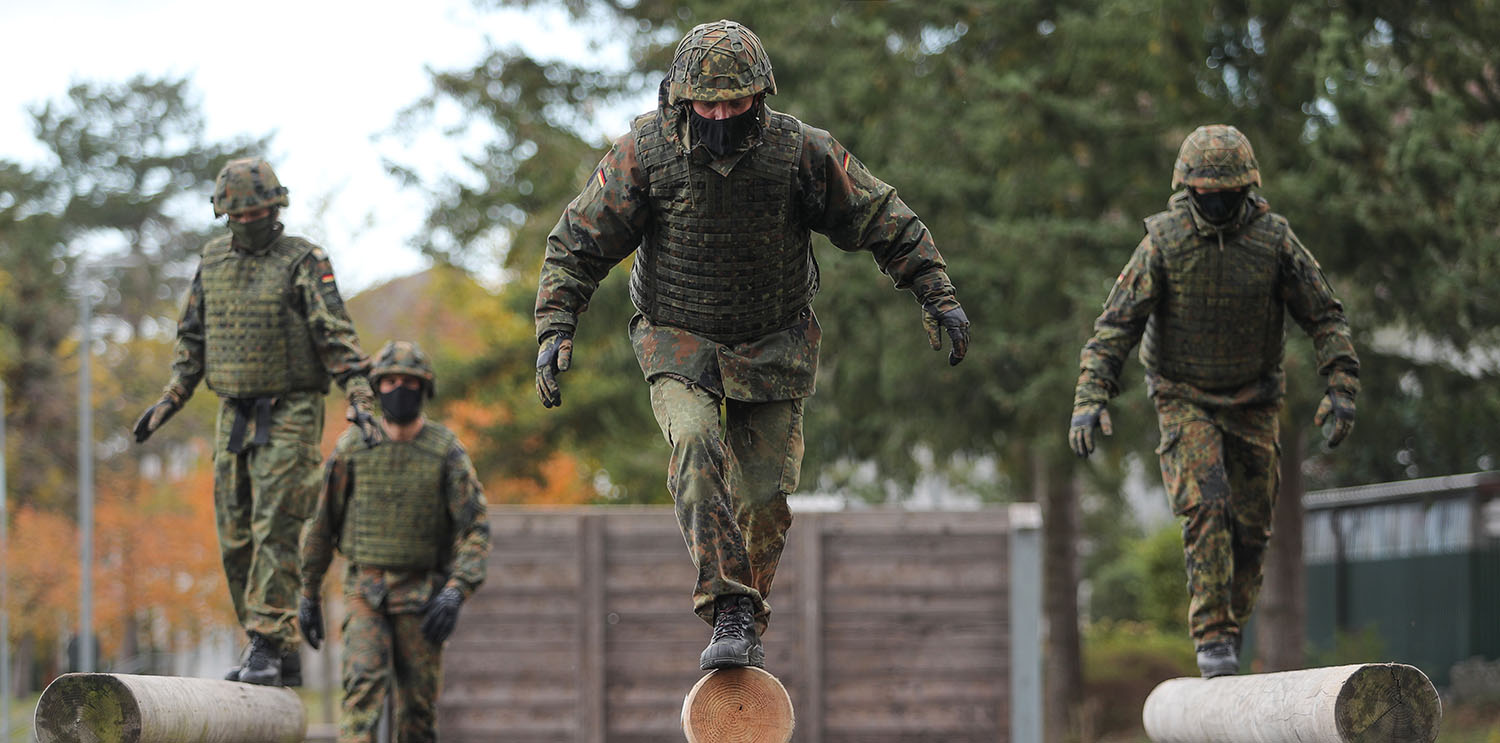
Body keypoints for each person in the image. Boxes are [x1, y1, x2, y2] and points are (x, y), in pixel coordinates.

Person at [533, 19, 970, 671]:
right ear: (681, 98)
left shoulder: (798, 152)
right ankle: (728, 605)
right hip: (678, 338)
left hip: (774, 342)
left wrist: (934, 289)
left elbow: (880, 215)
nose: (718, 115)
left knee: (765, 497)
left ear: (758, 96)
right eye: (706, 103)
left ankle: (746, 619)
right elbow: (577, 243)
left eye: (733, 103)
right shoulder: (644, 153)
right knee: (694, 440)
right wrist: (554, 326)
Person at [1068, 125, 1359, 678]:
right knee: (1207, 504)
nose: (1217, 204)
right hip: (1184, 397)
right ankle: (1212, 638)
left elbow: (1324, 315)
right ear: (1188, 190)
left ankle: (1230, 629)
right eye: (1206, 194)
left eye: (1227, 194)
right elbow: (1115, 326)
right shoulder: (1163, 242)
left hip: (1255, 400)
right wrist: (1090, 397)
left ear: (1246, 190)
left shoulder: (1274, 242)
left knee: (1251, 527)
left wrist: (1341, 387)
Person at [132, 157, 382, 686]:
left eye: (262, 213)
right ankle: (274, 643)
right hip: (234, 410)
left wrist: (360, 397)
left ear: (278, 208)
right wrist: (171, 398)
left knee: (276, 521)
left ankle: (266, 641)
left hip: (291, 406)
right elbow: (192, 338)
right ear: (226, 216)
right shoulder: (213, 261)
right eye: (241, 216)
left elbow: (336, 336)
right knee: (235, 532)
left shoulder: (303, 260)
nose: (252, 223)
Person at [299, 340, 490, 743]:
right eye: (389, 382)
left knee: (418, 710)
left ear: (424, 389)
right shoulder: (353, 449)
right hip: (364, 591)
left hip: (422, 595)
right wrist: (308, 593)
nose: (398, 390)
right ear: (377, 387)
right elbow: (322, 524)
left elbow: (474, 529)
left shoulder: (446, 452)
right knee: (361, 693)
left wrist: (457, 591)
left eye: (408, 382)